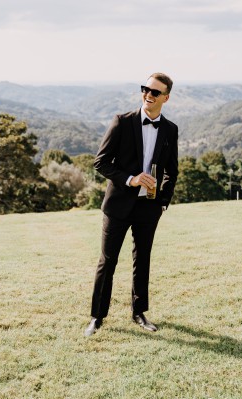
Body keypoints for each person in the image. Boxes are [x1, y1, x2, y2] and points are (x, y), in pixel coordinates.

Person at [84, 73, 180, 337]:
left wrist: (162, 202)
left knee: (143, 260)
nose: (149, 94)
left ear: (166, 98)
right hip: (117, 205)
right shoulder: (121, 122)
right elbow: (101, 162)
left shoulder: (170, 130)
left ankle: (139, 313)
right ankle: (97, 316)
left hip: (148, 208)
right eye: (146, 89)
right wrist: (131, 179)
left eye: (155, 92)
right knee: (108, 261)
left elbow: (172, 170)